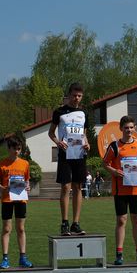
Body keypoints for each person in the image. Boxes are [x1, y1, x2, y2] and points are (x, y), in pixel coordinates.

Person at [102, 115, 137, 265]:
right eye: (126, 128)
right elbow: (105, 163)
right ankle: (119, 254)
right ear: (121, 129)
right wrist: (114, 171)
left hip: (136, 190)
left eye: (131, 127)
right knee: (121, 220)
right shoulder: (115, 146)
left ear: (134, 128)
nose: (129, 130)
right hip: (120, 191)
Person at [48, 82, 90, 236]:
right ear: (69, 95)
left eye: (79, 96)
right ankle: (64, 222)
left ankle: (75, 223)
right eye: (74, 95)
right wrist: (58, 142)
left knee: (78, 187)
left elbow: (84, 134)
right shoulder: (59, 112)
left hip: (79, 154)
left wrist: (87, 144)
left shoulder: (84, 113)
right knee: (66, 187)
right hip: (65, 154)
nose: (76, 98)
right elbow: (51, 132)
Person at [0, 136, 33, 269]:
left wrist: (28, 187)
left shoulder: (25, 163)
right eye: (14, 149)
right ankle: (5, 258)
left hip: (21, 199)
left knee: (21, 228)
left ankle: (23, 257)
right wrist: (3, 188)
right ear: (9, 149)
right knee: (6, 229)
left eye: (19, 149)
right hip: (7, 200)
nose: (16, 151)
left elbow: (27, 180)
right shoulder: (2, 164)